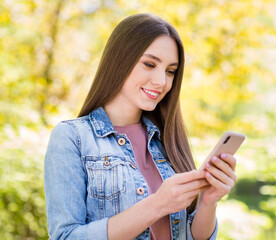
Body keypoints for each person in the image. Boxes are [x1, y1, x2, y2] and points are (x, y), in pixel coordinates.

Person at [44, 13, 237, 240]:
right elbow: (65, 236)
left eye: (170, 71)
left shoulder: (168, 140)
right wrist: (157, 205)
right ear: (120, 60)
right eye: (149, 64)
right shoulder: (72, 137)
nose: (161, 81)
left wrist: (208, 202)